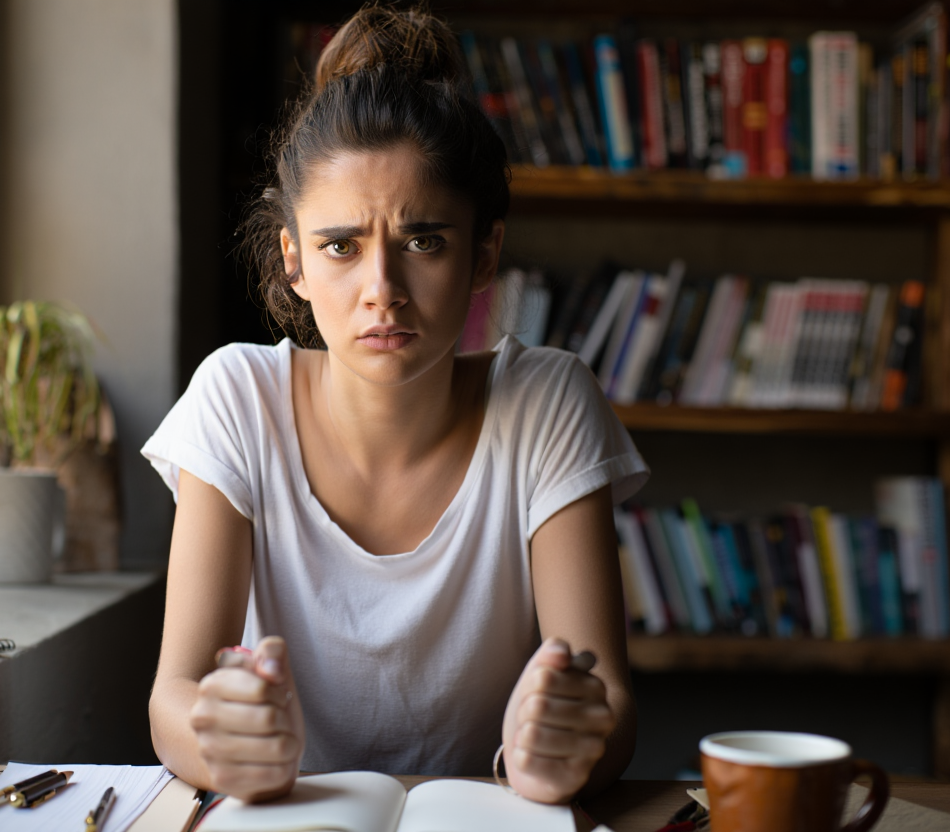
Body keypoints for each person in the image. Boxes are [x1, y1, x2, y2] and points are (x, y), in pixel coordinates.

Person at [142, 4, 648, 807]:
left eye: (424, 242)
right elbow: (174, 699)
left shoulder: (547, 402)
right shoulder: (237, 398)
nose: (382, 291)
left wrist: (564, 748)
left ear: (484, 254)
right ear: (295, 262)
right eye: (341, 246)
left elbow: (609, 706)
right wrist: (221, 746)